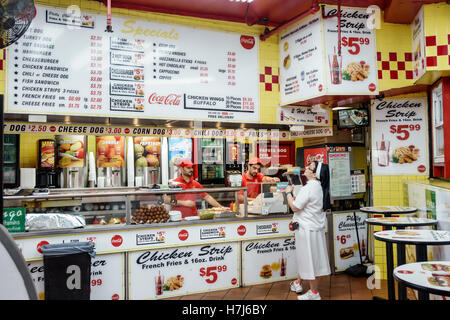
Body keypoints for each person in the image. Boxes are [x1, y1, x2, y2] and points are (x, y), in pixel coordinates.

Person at [285, 160, 331, 300]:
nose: (306, 168)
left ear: (315, 174)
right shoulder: (318, 187)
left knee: (309, 262)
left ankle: (314, 293)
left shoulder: (309, 187)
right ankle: (298, 283)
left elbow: (295, 207)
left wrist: (288, 193)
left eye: (310, 167)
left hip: (306, 230)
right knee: (310, 259)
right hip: (315, 230)